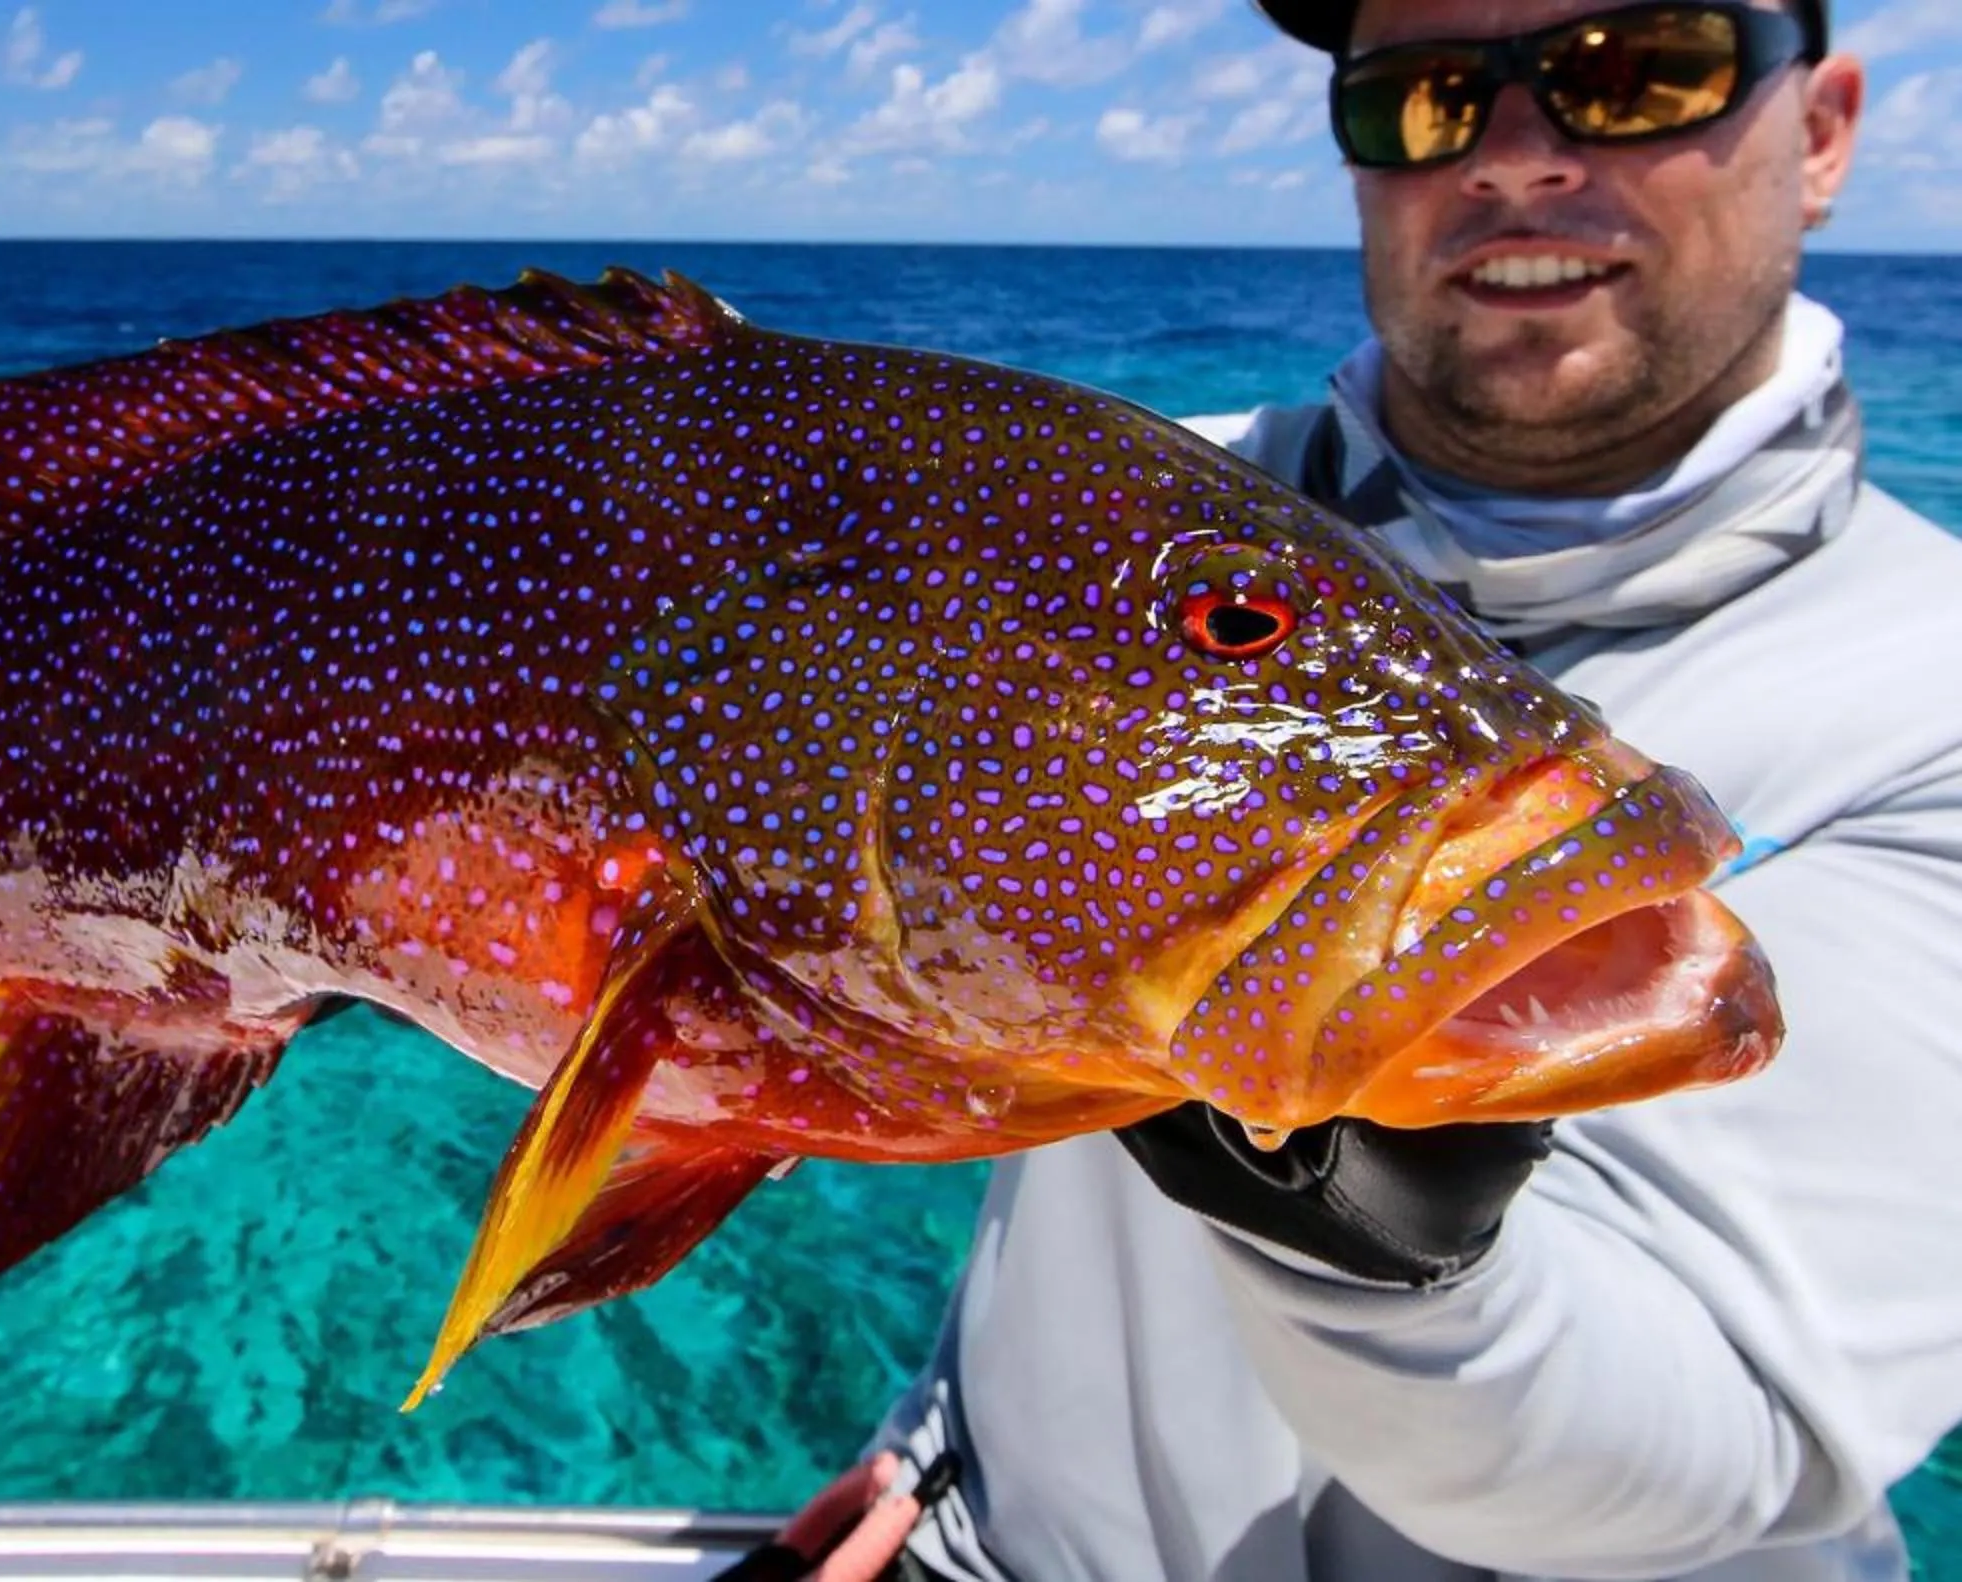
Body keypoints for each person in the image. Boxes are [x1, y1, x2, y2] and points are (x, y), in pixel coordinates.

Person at [738, 0, 1962, 1576]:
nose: (1516, 159)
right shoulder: (1090, 533)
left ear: (1827, 130)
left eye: (1641, 71)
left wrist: (1375, 1235)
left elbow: (1726, 1456)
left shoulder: (1930, 696)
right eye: (1427, 98)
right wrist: (944, 1445)